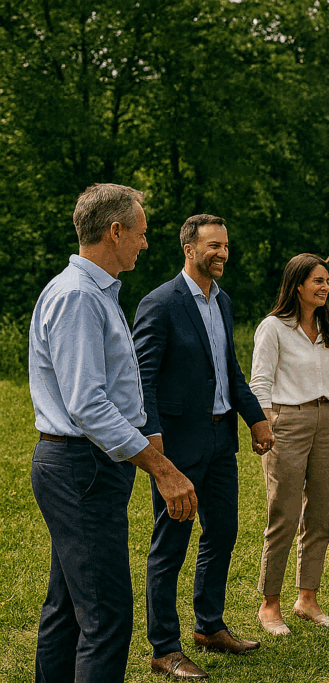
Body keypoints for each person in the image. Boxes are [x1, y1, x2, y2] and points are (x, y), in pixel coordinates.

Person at [29, 184, 196, 683]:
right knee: (106, 620)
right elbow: (86, 404)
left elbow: (111, 389)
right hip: (81, 468)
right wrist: (162, 469)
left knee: (67, 610)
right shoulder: (79, 296)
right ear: (115, 230)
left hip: (86, 466)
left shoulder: (95, 291)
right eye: (141, 234)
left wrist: (147, 435)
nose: (146, 244)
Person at [134, 214, 273, 679]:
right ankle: (165, 648)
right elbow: (143, 381)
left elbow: (229, 369)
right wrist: (155, 449)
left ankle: (209, 627)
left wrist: (254, 418)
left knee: (223, 532)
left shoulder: (223, 301)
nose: (222, 253)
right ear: (189, 249)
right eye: (213, 245)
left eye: (225, 245)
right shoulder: (160, 303)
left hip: (220, 440)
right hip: (176, 445)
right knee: (170, 543)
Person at [250, 253, 329, 636]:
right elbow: (260, 383)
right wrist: (264, 425)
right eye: (317, 281)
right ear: (297, 284)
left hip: (327, 420)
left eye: (327, 281)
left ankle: (307, 599)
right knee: (284, 515)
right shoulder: (272, 328)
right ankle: (269, 605)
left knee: (318, 516)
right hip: (287, 422)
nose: (324, 287)